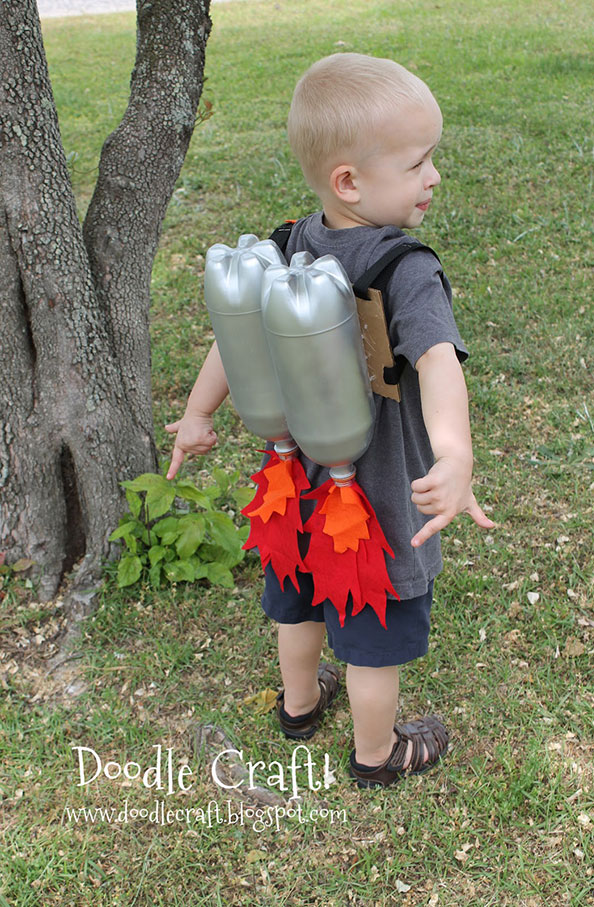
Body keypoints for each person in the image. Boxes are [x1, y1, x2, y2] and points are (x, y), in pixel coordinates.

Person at [165, 53, 495, 788]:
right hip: (376, 493)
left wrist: (196, 413)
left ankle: (300, 703)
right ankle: (378, 753)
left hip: (293, 479)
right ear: (349, 180)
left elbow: (233, 338)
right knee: (373, 628)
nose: (433, 176)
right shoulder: (404, 268)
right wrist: (451, 454)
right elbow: (437, 359)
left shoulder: (286, 247)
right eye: (417, 163)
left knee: (300, 585)